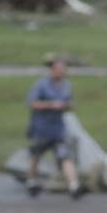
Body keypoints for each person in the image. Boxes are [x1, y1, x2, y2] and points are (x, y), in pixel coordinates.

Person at [25, 59, 83, 198]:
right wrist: (51, 104)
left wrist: (67, 106)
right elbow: (32, 103)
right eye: (58, 69)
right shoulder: (41, 85)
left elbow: (70, 102)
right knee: (36, 155)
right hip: (42, 127)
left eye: (63, 70)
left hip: (59, 128)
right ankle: (32, 181)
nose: (61, 72)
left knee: (65, 156)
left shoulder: (67, 85)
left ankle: (74, 186)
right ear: (52, 70)